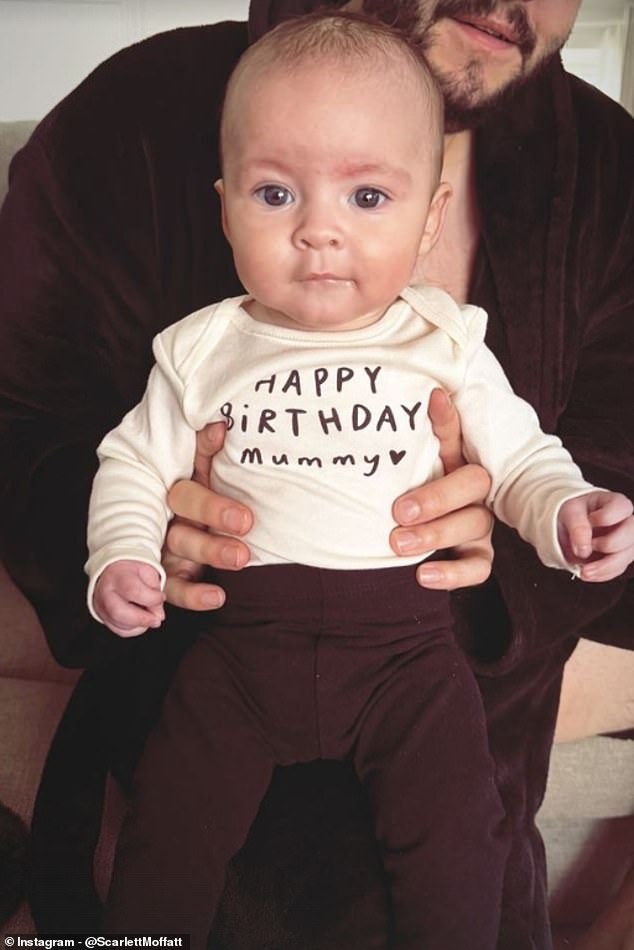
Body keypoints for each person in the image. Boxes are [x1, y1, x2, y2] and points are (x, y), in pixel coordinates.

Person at [0, 0, 631, 947]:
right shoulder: (202, 343)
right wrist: (123, 552)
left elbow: (532, 454)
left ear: (428, 221)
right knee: (174, 832)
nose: (319, 235)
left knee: (454, 843)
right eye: (275, 195)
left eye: (368, 198)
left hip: (414, 660)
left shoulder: (451, 338)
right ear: (224, 202)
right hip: (241, 649)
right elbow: (120, 458)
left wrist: (564, 514)